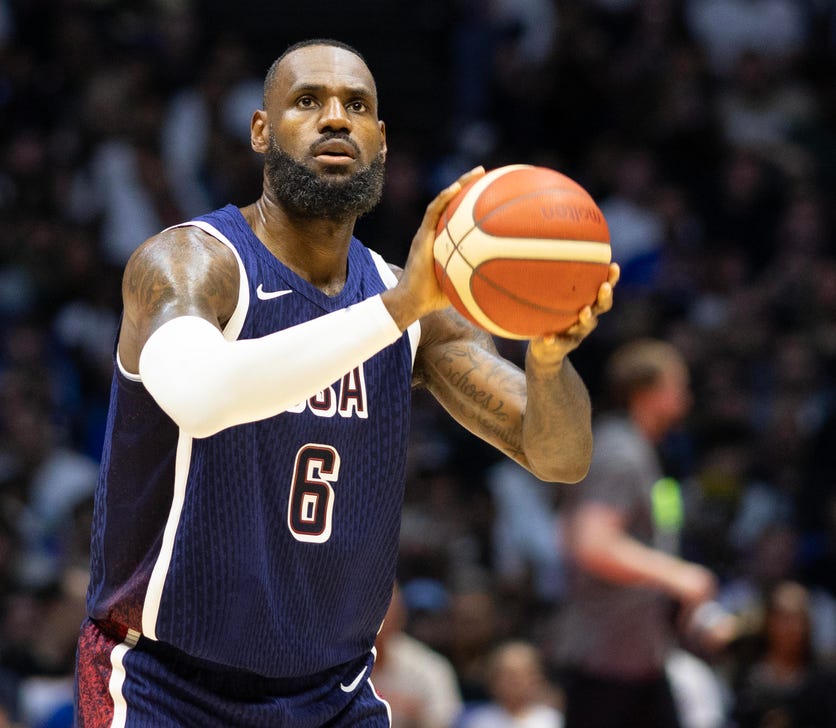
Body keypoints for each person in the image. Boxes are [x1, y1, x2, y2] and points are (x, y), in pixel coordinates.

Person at [75, 38, 616, 727]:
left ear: (381, 142)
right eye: (308, 102)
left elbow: (560, 456)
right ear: (261, 131)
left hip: (330, 693)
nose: (336, 119)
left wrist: (547, 358)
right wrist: (396, 312)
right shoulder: (190, 264)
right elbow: (200, 396)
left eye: (356, 106)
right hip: (165, 684)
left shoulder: (408, 303)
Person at [554, 338, 736, 728]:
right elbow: (592, 542)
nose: (686, 395)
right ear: (648, 393)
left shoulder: (640, 448)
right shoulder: (621, 451)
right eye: (678, 385)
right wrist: (678, 576)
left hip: (639, 659)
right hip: (605, 661)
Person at [370, 584, 463, 728]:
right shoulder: (334, 664)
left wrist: (416, 713)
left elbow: (446, 721)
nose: (376, 618)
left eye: (387, 609)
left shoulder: (430, 666)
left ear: (400, 615)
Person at [457, 640, 562, 728]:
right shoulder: (478, 721)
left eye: (523, 675)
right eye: (508, 676)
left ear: (536, 679)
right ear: (493, 679)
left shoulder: (551, 720)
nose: (516, 682)